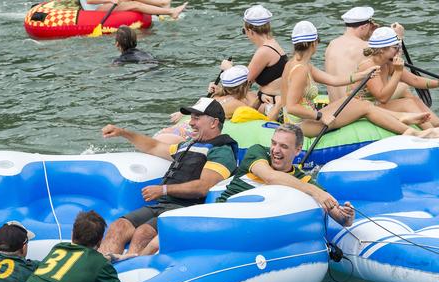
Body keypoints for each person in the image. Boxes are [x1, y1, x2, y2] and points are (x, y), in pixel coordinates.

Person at [100, 97, 238, 256]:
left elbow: (203, 187)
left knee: (143, 233)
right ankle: (100, 271)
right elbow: (154, 146)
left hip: (185, 209)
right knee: (119, 225)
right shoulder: (187, 145)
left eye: (197, 118)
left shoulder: (221, 151)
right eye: (191, 118)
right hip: (162, 205)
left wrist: (164, 189)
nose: (191, 122)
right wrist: (123, 132)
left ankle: (128, 273)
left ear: (213, 123)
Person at [281, 21, 439, 138]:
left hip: (306, 120)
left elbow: (333, 80)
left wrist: (362, 75)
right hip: (301, 126)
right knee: (362, 105)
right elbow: (292, 106)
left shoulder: (298, 64)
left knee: (352, 101)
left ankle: (402, 117)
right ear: (314, 44)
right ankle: (409, 130)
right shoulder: (301, 69)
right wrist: (320, 116)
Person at [217, 124, 354, 227]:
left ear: (297, 150)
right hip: (223, 213)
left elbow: (340, 218)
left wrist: (346, 216)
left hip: (254, 225)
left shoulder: (303, 179)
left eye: (283, 146)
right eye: (274, 143)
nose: (275, 150)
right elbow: (270, 177)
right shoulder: (258, 152)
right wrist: (314, 191)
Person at [355, 27, 439, 135]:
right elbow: (383, 98)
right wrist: (398, 72)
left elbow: (414, 80)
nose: (399, 51)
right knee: (407, 103)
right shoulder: (369, 66)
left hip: (376, 105)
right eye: (395, 47)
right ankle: (433, 133)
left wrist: (438, 83)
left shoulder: (388, 63)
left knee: (414, 100)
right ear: (382, 49)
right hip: (365, 109)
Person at [220, 5, 288, 121]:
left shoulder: (264, 51)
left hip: (273, 106)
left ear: (250, 31)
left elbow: (242, 84)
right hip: (270, 98)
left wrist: (228, 69)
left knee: (226, 100)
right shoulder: (273, 43)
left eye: (244, 31)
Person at [79, 0, 187, 19]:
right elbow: (90, 1)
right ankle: (171, 12)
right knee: (135, 5)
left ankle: (162, 3)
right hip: (94, 10)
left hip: (104, 4)